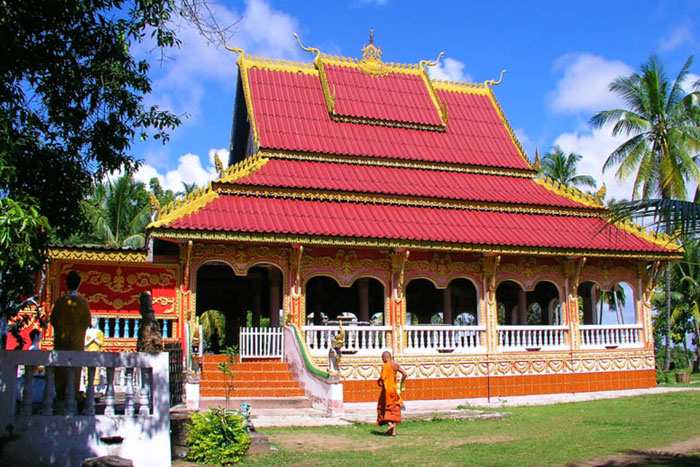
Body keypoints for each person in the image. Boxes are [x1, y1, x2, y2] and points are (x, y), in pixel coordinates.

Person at [50, 270, 91, 400]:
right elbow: (86, 322)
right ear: (79, 284)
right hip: (77, 342)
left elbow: (53, 320)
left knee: (60, 368)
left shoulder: (60, 302)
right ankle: (73, 392)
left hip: (61, 341)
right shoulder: (83, 303)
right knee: (75, 368)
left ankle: (60, 393)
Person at [376, 351, 407, 436]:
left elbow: (382, 378)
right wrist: (401, 383)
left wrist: (378, 381)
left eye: (383, 359)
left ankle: (390, 424)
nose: (383, 360)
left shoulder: (385, 366)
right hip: (394, 389)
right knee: (395, 408)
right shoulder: (396, 365)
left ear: (385, 358)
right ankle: (394, 432)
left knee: (384, 407)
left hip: (387, 390)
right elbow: (405, 374)